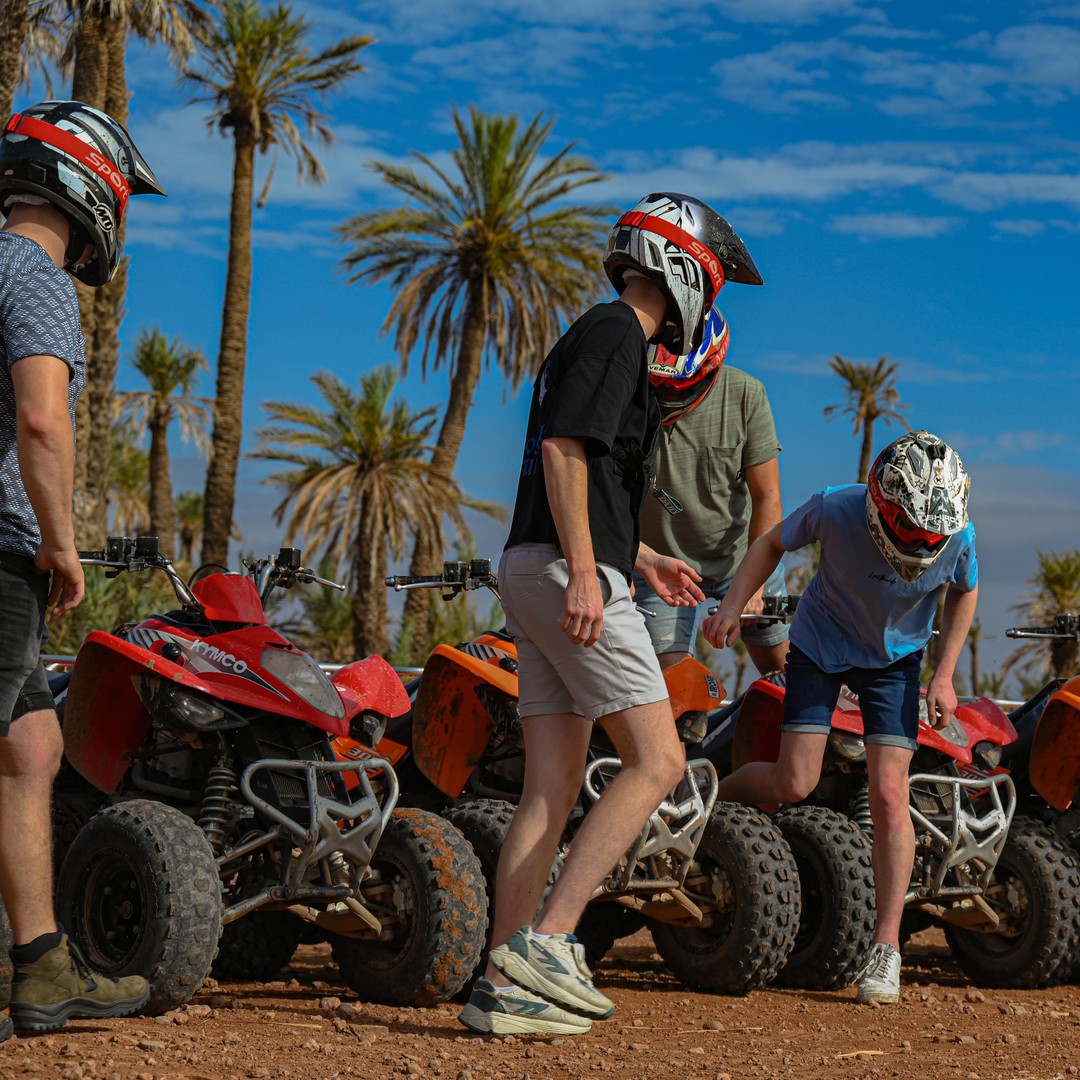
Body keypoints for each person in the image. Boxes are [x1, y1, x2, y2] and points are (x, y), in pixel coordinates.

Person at [459, 191, 761, 1037]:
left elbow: (588, 473)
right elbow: (565, 450)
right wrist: (590, 575)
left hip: (536, 564)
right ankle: (551, 941)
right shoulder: (617, 332)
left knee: (551, 788)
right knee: (660, 759)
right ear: (687, 267)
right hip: (564, 571)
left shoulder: (593, 336)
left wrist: (641, 557)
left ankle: (501, 984)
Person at [702, 429, 978, 1005]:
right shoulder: (836, 507)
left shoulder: (958, 535)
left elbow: (964, 590)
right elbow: (770, 543)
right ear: (881, 505)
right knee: (793, 782)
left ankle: (886, 947)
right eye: (911, 529)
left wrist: (945, 674)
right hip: (820, 646)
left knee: (889, 795)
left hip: (894, 661)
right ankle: (705, 806)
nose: (922, 541)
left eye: (932, 534)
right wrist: (732, 607)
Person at [0, 100, 166, 1038]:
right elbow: (42, 418)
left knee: (31, 745)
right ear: (90, 180)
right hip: (2, 548)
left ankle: (41, 967)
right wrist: (60, 541)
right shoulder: (36, 272)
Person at [635, 304, 789, 683]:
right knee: (675, 687)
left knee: (785, 676)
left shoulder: (747, 394)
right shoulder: (627, 400)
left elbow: (768, 497)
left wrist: (754, 583)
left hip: (743, 560)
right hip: (663, 568)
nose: (669, 397)